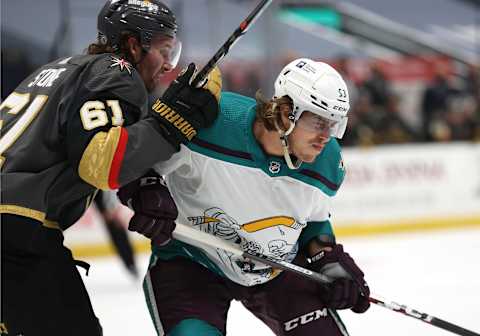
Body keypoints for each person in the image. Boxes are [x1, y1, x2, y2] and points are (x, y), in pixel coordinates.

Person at [0, 0, 221, 335]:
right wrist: (171, 124)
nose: (167, 65)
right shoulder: (117, 71)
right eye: (164, 50)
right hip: (16, 231)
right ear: (134, 44)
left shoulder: (61, 68)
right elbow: (100, 163)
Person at [119, 58, 370, 336]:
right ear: (287, 112)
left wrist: (328, 258)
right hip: (192, 263)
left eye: (334, 125)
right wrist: (145, 192)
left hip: (277, 269)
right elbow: (138, 163)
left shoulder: (327, 162)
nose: (327, 137)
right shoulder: (213, 122)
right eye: (319, 122)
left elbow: (314, 221)